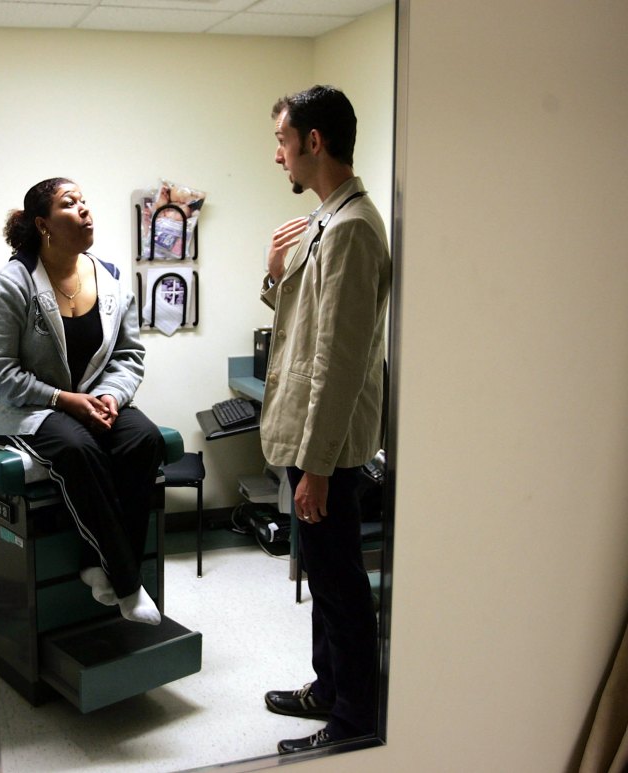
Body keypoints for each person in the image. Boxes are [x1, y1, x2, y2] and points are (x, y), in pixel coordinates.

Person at [257, 86, 391, 752]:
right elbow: (301, 322)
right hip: (308, 436)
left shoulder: (353, 229)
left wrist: (315, 465)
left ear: (314, 142)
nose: (276, 153)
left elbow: (335, 363)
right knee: (321, 568)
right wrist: (274, 271)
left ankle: (353, 720)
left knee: (339, 586)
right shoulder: (322, 222)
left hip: (328, 448)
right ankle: (329, 686)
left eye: (282, 139)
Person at [0, 177, 164, 626]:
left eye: (85, 201)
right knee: (77, 448)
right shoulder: (11, 285)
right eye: (68, 203)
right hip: (29, 411)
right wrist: (63, 399)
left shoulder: (111, 279)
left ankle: (98, 564)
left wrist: (109, 396)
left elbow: (129, 355)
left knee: (145, 440)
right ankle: (127, 582)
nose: (83, 209)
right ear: (43, 224)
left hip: (97, 403)